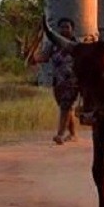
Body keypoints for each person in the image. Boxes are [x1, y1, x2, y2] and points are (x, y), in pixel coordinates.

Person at [30, 17, 79, 145]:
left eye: (67, 27)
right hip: (58, 81)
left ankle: (60, 135)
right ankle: (73, 134)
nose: (64, 30)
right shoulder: (53, 45)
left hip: (73, 82)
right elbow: (44, 57)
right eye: (62, 27)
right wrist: (34, 58)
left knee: (65, 106)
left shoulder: (78, 45)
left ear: (72, 29)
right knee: (66, 108)